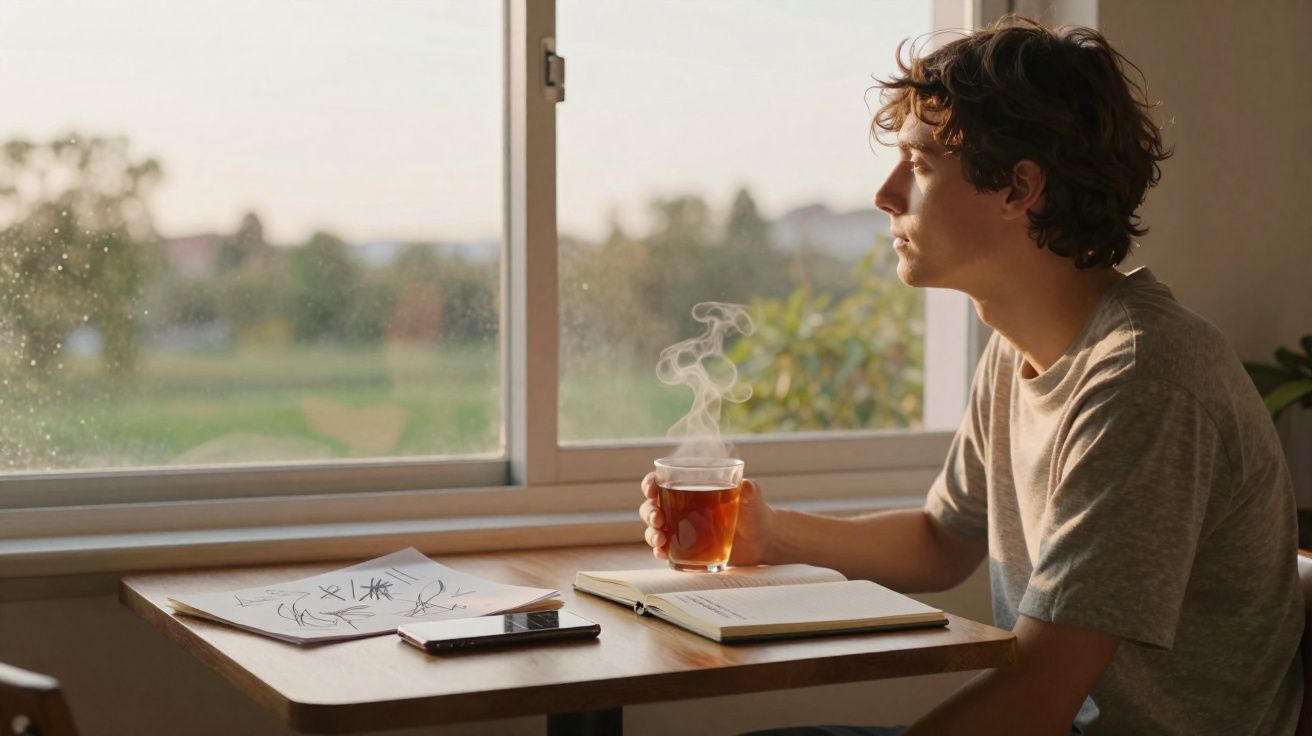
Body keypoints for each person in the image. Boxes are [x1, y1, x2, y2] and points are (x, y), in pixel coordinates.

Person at [639, 17, 1302, 736]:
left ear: (1020, 189)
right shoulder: (1018, 347)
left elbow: (1041, 692)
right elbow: (941, 539)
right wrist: (768, 535)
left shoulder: (1144, 377)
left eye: (919, 166)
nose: (885, 195)